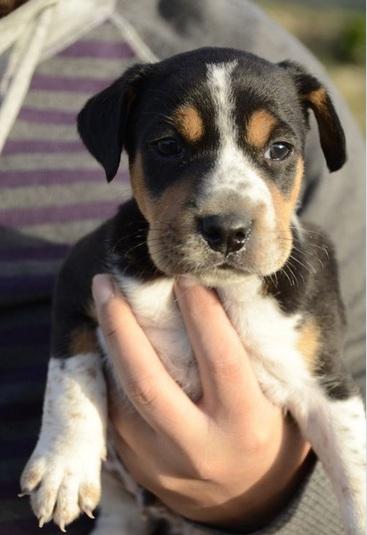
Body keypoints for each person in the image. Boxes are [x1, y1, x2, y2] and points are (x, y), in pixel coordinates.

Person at [0, 1, 364, 534]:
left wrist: (260, 497)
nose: (226, 208)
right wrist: (70, 430)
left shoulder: (199, 25)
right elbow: (75, 308)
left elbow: (341, 394)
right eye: (170, 147)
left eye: (279, 149)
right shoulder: (105, 259)